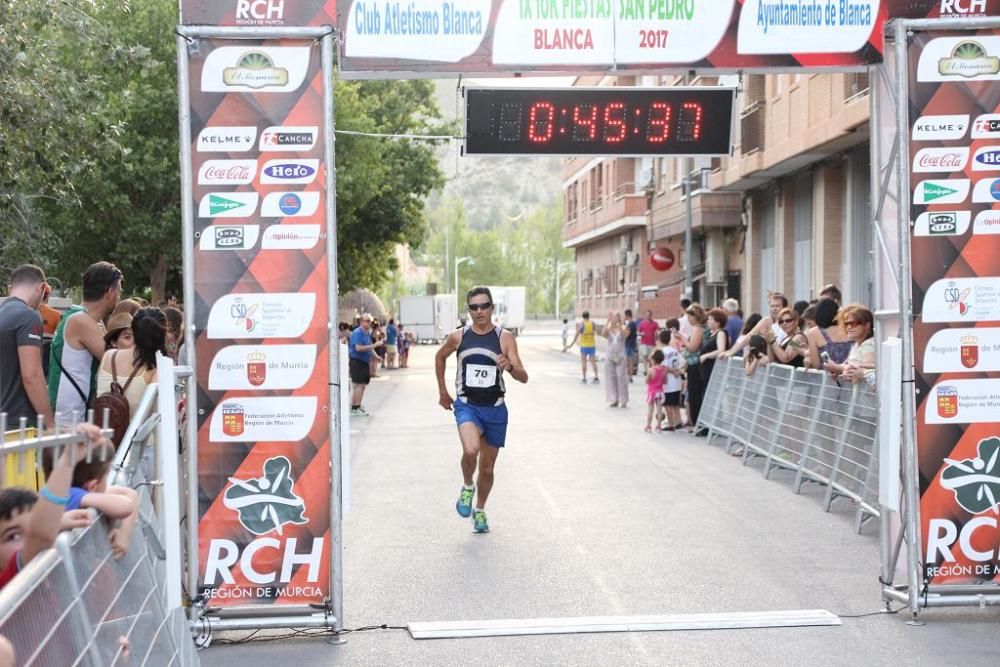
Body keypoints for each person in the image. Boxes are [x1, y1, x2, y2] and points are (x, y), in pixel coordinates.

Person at [435, 287, 528, 534]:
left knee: (487, 468)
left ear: (491, 308)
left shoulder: (505, 338)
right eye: (473, 307)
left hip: (495, 409)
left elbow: (523, 376)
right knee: (471, 449)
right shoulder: (459, 337)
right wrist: (443, 392)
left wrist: (509, 367)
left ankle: (480, 510)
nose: (479, 311)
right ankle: (467, 486)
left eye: (483, 306)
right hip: (468, 406)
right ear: (468, 310)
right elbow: (439, 357)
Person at [0, 424, 105, 590]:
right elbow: (40, 535)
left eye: (32, 526)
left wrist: (59, 522)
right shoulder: (9, 578)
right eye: (13, 536)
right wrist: (68, 460)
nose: (29, 539)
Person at [41, 439, 138, 559]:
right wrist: (123, 535)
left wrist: (123, 535)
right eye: (106, 475)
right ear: (92, 486)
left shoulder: (56, 492)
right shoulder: (71, 495)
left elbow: (129, 494)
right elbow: (126, 505)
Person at [48, 262, 123, 418]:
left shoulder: (84, 318)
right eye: (119, 290)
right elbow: (114, 361)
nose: (119, 296)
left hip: (72, 414)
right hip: (68, 418)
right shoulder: (81, 321)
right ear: (110, 292)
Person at [0, 265, 55, 428]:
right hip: (18, 424)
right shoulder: (28, 316)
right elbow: (31, 375)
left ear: (10, 288)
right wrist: (50, 424)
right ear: (42, 288)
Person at [96, 308, 167, 418]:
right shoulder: (156, 369)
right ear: (162, 335)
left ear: (133, 330)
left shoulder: (109, 356)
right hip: (140, 435)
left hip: (106, 433)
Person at [696, 308, 729, 436]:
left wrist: (706, 356)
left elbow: (721, 350)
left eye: (711, 319)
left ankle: (712, 427)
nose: (708, 321)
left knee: (711, 397)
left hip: (714, 370)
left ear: (718, 321)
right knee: (707, 397)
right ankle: (708, 425)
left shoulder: (721, 333)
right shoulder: (710, 334)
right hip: (706, 371)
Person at [825, 305, 876, 386]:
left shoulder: (868, 345)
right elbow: (846, 366)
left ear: (867, 325)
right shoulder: (857, 344)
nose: (848, 327)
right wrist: (837, 371)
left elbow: (867, 371)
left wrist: (835, 367)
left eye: (853, 323)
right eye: (846, 324)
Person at [674, 304, 706, 430]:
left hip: (695, 365)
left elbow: (693, 347)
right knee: (693, 393)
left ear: (695, 316)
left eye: (689, 317)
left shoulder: (698, 329)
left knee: (694, 393)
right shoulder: (697, 329)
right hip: (693, 364)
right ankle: (695, 421)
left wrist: (681, 338)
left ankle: (696, 421)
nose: (688, 320)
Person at [348, 314, 382, 416]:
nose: (369, 323)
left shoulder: (367, 333)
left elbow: (370, 347)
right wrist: (375, 345)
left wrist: (376, 356)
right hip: (357, 361)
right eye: (367, 321)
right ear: (361, 322)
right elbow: (358, 348)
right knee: (358, 384)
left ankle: (358, 405)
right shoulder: (357, 333)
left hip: (364, 362)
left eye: (370, 321)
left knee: (362, 385)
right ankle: (354, 407)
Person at [806, 297, 853, 370]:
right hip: (852, 376)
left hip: (828, 378)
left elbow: (816, 365)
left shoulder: (813, 333)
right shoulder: (850, 328)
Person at [601, 311, 629, 408]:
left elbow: (625, 335)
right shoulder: (608, 329)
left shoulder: (624, 327)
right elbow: (603, 334)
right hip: (610, 355)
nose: (614, 318)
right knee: (610, 377)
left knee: (622, 377)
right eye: (613, 316)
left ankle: (623, 399)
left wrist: (620, 324)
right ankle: (614, 399)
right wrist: (608, 321)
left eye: (617, 316)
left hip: (621, 355)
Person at [563, 311, 599, 384]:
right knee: (593, 362)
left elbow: (576, 335)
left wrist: (571, 345)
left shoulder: (582, 324)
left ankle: (584, 378)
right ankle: (596, 377)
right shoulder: (593, 323)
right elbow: (596, 332)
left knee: (584, 362)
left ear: (583, 317)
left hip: (584, 346)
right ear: (589, 316)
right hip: (592, 345)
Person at [660, 334, 685, 431]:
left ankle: (670, 424)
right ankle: (678, 421)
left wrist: (672, 371)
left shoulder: (663, 352)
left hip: (668, 381)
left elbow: (664, 367)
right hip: (677, 381)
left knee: (668, 404)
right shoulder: (674, 350)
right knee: (675, 403)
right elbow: (683, 362)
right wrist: (678, 371)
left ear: (660, 340)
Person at [644, 349, 666, 433]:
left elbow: (646, 381)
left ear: (653, 359)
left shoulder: (650, 370)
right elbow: (665, 381)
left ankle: (648, 426)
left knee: (650, 409)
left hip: (652, 392)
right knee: (659, 409)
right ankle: (658, 426)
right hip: (660, 392)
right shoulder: (663, 370)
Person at [623, 309, 638, 377]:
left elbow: (627, 335)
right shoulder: (631, 323)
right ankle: (629, 375)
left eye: (625, 315)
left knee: (629, 360)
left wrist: (624, 331)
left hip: (629, 344)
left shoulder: (631, 323)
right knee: (629, 360)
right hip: (630, 344)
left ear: (627, 315)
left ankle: (630, 375)